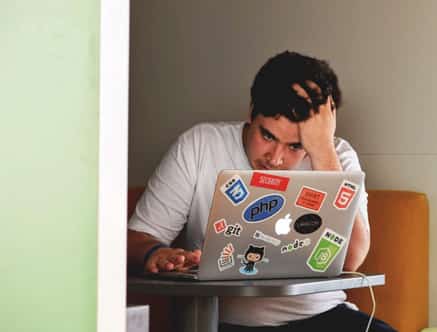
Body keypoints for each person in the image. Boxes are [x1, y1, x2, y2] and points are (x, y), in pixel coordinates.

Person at [127, 51, 396, 332]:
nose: (275, 159)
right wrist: (154, 253)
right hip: (222, 321)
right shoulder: (200, 145)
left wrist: (323, 151)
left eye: (295, 146)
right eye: (267, 135)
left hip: (321, 316)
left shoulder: (337, 156)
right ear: (251, 111)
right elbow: (137, 238)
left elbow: (353, 258)